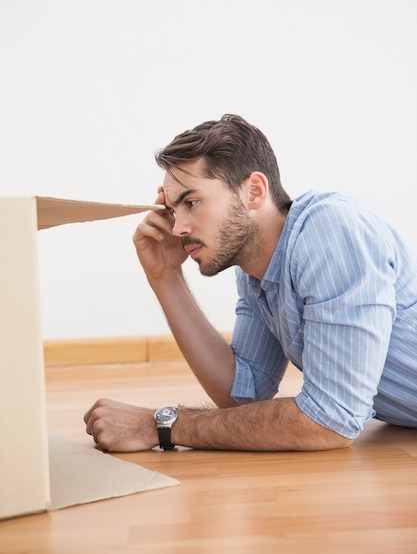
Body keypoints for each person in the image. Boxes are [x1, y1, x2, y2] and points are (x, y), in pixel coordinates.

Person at [84, 114, 417, 452]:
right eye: (173, 210)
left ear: (254, 191)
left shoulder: (329, 231)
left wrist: (161, 425)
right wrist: (165, 276)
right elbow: (242, 393)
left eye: (192, 202)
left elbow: (331, 420)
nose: (177, 228)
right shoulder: (255, 268)